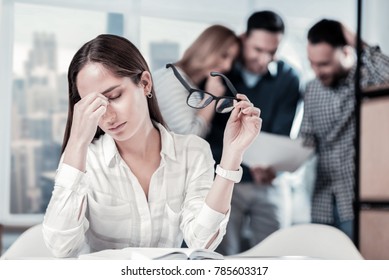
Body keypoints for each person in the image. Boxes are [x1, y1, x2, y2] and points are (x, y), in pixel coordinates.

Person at [42, 34, 262, 258]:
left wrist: (232, 156)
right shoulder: (84, 160)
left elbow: (203, 241)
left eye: (115, 96)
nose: (107, 116)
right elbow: (61, 247)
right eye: (93, 105)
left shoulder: (192, 152)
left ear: (145, 83)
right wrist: (77, 143)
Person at [208, 11, 301, 255]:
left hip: (268, 180)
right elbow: (209, 132)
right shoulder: (222, 71)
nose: (264, 58)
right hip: (225, 175)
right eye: (257, 49)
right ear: (243, 39)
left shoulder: (289, 78)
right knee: (222, 251)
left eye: (272, 51)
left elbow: (281, 132)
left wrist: (272, 166)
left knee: (275, 251)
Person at [299, 19, 389, 240]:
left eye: (325, 63)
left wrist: (353, 38)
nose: (317, 71)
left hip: (358, 197)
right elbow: (306, 138)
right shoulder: (312, 89)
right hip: (322, 200)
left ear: (346, 52)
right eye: (312, 63)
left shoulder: (368, 80)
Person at [153, 25, 240, 137]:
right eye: (224, 55)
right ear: (207, 48)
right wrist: (212, 97)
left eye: (232, 61)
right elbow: (189, 136)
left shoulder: (186, 82)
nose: (227, 66)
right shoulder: (172, 80)